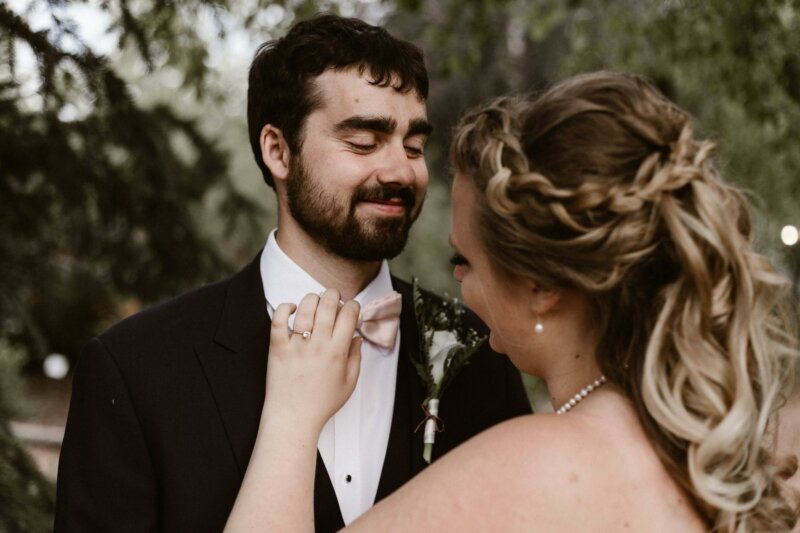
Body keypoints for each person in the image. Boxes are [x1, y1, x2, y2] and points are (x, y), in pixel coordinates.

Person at [224, 72, 799, 532]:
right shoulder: (697, 456)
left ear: (541, 287)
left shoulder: (538, 463)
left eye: (466, 262)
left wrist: (292, 419)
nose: (458, 286)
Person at [54, 15, 531, 532]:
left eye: (413, 146)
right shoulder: (136, 367)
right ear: (278, 151)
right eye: (364, 142)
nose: (400, 172)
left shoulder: (477, 350)